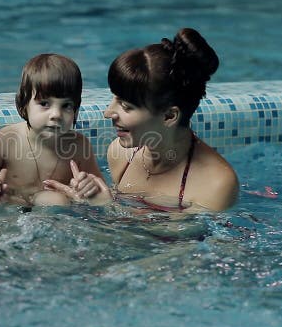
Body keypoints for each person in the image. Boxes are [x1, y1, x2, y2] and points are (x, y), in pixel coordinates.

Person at [101, 28, 239, 212]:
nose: (108, 113)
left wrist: (105, 206)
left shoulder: (216, 184)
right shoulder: (119, 154)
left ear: (169, 116)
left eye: (126, 106)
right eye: (114, 99)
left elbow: (183, 239)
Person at [0, 53, 110, 211]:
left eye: (66, 105)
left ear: (76, 109)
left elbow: (99, 187)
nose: (56, 115)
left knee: (55, 200)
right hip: (11, 207)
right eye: (45, 103)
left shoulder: (79, 146)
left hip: (55, 213)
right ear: (23, 105)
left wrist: (88, 187)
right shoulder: (7, 139)